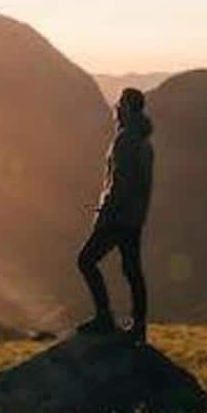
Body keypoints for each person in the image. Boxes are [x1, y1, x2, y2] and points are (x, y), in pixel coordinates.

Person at [77, 87, 155, 345]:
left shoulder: (125, 140)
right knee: (132, 269)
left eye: (120, 104)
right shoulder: (144, 141)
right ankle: (139, 326)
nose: (116, 108)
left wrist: (104, 213)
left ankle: (103, 318)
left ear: (128, 108)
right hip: (134, 217)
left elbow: (118, 184)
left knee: (86, 260)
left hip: (118, 217)